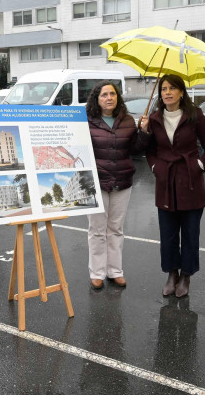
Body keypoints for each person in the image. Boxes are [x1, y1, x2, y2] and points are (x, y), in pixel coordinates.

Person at [139, 74, 205, 298]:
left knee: (191, 233)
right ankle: (172, 273)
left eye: (172, 88)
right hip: (165, 183)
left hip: (191, 184)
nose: (167, 92)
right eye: (163, 88)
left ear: (182, 92)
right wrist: (156, 168)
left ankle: (186, 276)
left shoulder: (195, 115)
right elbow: (149, 151)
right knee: (168, 235)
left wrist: (198, 165)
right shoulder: (154, 119)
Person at [84, 80, 143, 290]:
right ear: (96, 99)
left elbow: (136, 149)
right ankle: (97, 272)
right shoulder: (87, 120)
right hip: (96, 182)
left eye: (112, 94)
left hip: (122, 180)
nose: (109, 98)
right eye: (104, 95)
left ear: (118, 97)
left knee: (116, 228)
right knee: (97, 229)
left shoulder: (127, 120)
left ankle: (115, 271)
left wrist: (143, 132)